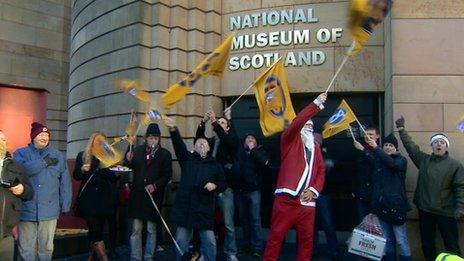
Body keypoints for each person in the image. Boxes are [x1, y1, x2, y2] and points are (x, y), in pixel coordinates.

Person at [263, 93, 327, 261]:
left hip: (307, 201)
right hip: (286, 199)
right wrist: (316, 104)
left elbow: (321, 171)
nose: (308, 127)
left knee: (306, 242)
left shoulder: (315, 147)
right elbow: (297, 123)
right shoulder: (289, 140)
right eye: (306, 124)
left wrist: (313, 191)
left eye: (311, 126)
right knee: (276, 237)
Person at [395, 116, 464, 261]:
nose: (439, 144)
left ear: (446, 146)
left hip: (446, 213)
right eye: (436, 142)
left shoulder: (455, 165)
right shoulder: (424, 160)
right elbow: (411, 147)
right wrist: (401, 130)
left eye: (442, 142)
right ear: (431, 146)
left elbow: (460, 187)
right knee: (427, 245)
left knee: (451, 246)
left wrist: (460, 207)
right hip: (425, 211)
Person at [163, 116, 226, 261]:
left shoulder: (215, 165)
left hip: (204, 210)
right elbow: (178, 145)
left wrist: (215, 185)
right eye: (198, 142)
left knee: (210, 242)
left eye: (204, 142)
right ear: (194, 147)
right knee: (181, 242)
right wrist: (173, 129)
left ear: (209, 148)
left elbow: (223, 183)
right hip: (185, 209)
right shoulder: (187, 160)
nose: (202, 143)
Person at [13, 122, 72, 260]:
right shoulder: (21, 153)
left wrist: (65, 204)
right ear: (33, 137)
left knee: (46, 248)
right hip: (27, 210)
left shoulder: (57, 155)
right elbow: (21, 171)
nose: (44, 137)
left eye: (46, 135)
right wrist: (43, 163)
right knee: (26, 248)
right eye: (41, 134)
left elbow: (65, 183)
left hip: (50, 211)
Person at [354, 133, 412, 261]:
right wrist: (363, 149)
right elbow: (372, 159)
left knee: (401, 241)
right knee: (388, 240)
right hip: (381, 208)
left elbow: (392, 163)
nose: (388, 147)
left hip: (396, 208)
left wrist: (376, 148)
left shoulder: (401, 160)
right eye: (386, 145)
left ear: (396, 148)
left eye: (391, 145)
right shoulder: (380, 162)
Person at [196, 108, 239, 261]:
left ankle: (231, 252)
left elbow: (230, 140)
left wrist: (215, 122)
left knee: (228, 223)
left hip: (225, 188)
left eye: (222, 123)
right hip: (209, 188)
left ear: (227, 128)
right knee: (205, 222)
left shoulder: (230, 142)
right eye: (218, 123)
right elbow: (199, 140)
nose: (219, 126)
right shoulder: (212, 141)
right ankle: (203, 251)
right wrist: (203, 122)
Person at [125, 123, 173, 261]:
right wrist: (128, 157)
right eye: (150, 137)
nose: (153, 140)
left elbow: (167, 175)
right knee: (136, 230)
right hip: (138, 197)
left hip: (153, 197)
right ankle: (135, 257)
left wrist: (156, 186)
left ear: (159, 139)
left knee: (151, 230)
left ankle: (148, 257)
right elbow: (127, 165)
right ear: (146, 138)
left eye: (155, 138)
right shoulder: (138, 151)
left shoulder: (165, 154)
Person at [73, 132, 119, 260]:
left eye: (103, 142)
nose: (101, 144)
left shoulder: (108, 158)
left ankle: (91, 256)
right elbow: (76, 175)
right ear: (92, 142)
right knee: (96, 230)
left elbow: (113, 178)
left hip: (103, 200)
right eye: (98, 141)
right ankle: (104, 258)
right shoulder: (83, 155)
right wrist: (82, 169)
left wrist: (116, 172)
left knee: (95, 230)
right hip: (88, 200)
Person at [234, 131, 270, 256]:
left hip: (254, 191)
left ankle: (257, 247)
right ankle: (247, 244)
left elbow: (265, 164)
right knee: (244, 219)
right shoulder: (239, 153)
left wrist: (253, 150)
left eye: (252, 138)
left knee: (255, 219)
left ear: (256, 142)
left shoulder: (260, 152)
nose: (249, 140)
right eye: (247, 138)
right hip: (240, 191)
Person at [0, 130, 33, 260]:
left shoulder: (17, 166)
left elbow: (30, 193)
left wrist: (22, 189)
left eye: (3, 140)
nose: (0, 143)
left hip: (6, 233)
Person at [313, 133, 340, 260]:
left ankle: (333, 251)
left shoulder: (326, 156)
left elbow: (334, 174)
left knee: (327, 224)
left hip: (323, 194)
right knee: (310, 226)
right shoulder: (304, 155)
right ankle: (312, 250)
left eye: (315, 141)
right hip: (308, 196)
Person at [353, 125, 381, 221]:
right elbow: (355, 171)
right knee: (363, 224)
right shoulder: (359, 150)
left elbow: (376, 163)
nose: (367, 136)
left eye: (371, 134)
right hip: (361, 194)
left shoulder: (381, 150)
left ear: (377, 136)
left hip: (375, 196)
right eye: (366, 134)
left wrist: (363, 150)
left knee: (376, 227)